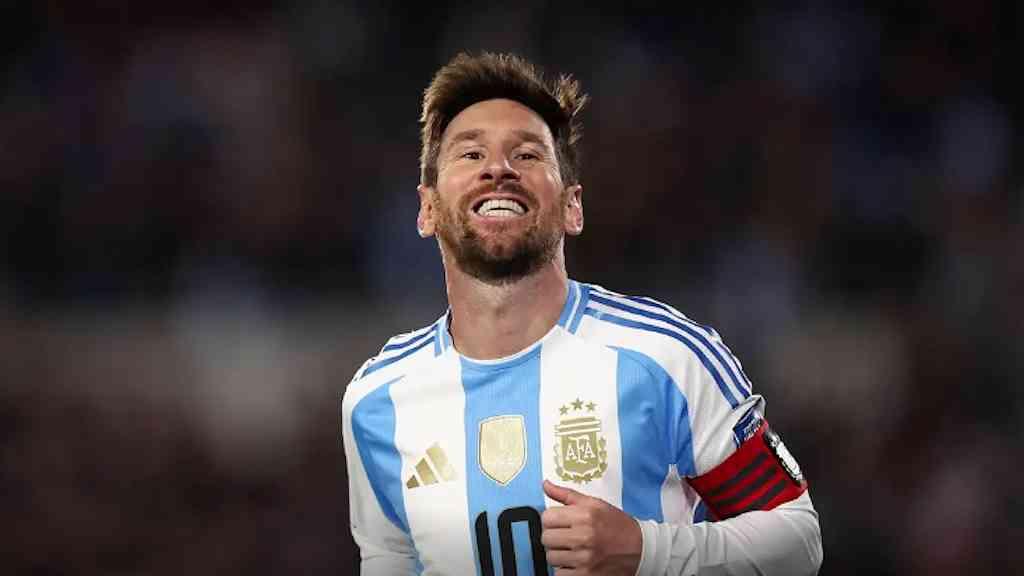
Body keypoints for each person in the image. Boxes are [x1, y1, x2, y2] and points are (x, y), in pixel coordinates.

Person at [341, 51, 822, 575]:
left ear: (573, 207)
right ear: (427, 208)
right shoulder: (377, 401)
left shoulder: (666, 357)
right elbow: (388, 561)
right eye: (471, 154)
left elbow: (798, 540)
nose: (498, 169)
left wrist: (647, 550)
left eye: (527, 154)